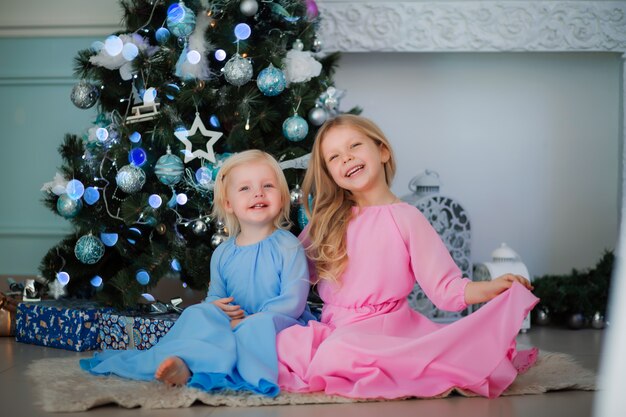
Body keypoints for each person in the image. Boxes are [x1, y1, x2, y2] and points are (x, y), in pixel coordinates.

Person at [276, 114, 539, 399]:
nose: (347, 159)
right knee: (285, 344)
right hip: (336, 326)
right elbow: (292, 270)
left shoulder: (407, 218)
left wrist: (493, 287)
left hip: (387, 329)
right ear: (329, 173)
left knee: (341, 352)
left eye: (354, 146)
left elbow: (446, 288)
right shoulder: (326, 221)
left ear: (382, 151)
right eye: (335, 157)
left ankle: (374, 360)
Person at [81, 150, 315, 397]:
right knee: (197, 314)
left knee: (254, 330)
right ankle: (183, 363)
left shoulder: (288, 245)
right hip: (234, 320)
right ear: (228, 204)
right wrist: (217, 308)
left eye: (268, 185)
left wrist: (251, 320)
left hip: (275, 322)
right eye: (245, 188)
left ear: (282, 197)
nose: (258, 193)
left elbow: (294, 301)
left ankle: (209, 369)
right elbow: (216, 296)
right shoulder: (224, 253)